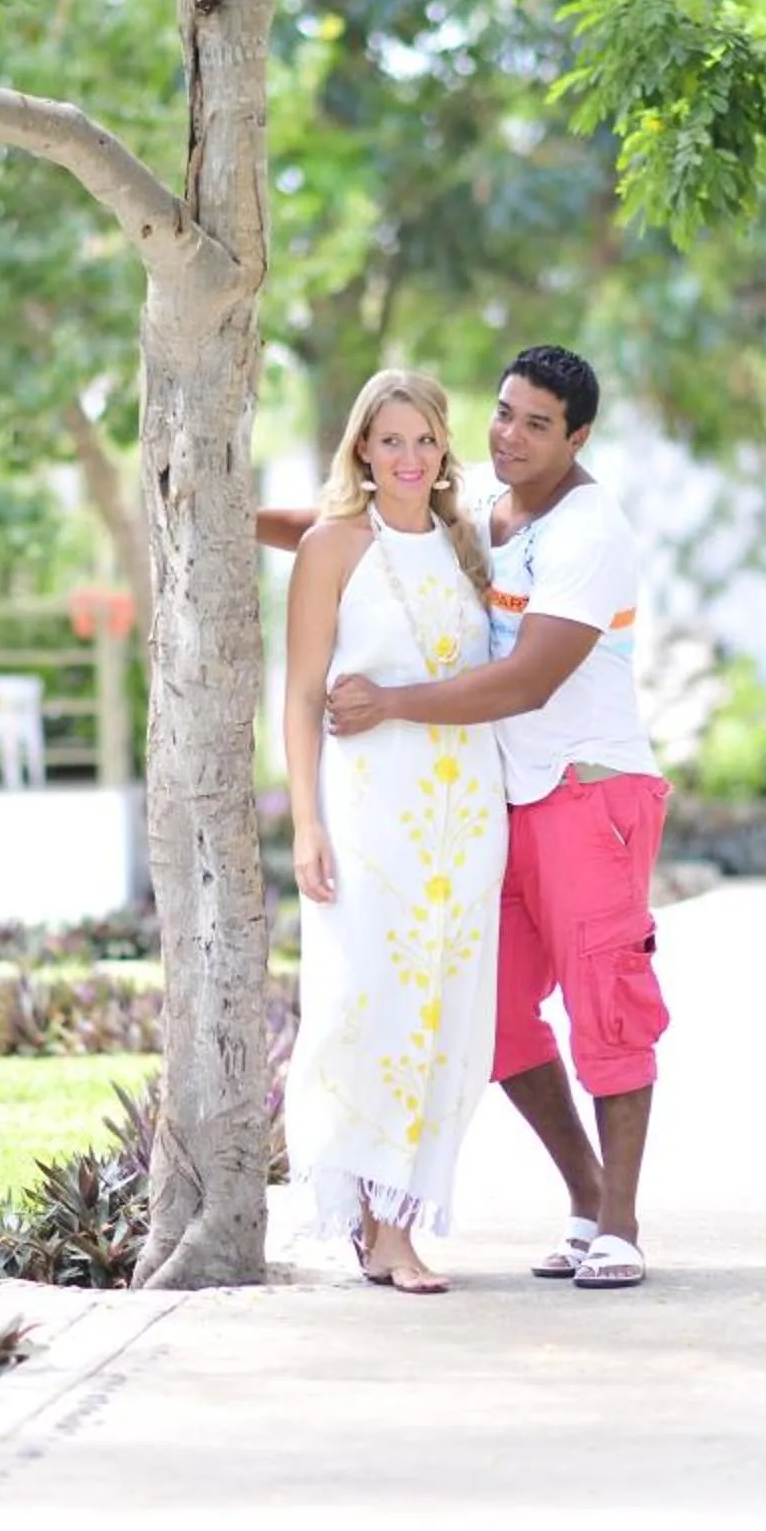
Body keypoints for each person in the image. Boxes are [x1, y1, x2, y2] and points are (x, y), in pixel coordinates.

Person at [283, 345, 670, 1293]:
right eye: (504, 413)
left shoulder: (586, 530)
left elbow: (531, 680)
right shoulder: (484, 521)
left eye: (538, 423)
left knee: (606, 1003)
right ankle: (582, 1197)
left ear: (577, 437)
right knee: (493, 1017)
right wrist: (230, 512)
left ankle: (618, 1223)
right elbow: (373, 530)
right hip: (498, 801)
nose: (513, 434)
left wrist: (392, 702)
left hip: (587, 787)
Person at [277, 370, 507, 1295]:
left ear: (443, 449)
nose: (410, 459)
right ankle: (380, 1229)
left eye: (425, 441)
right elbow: (298, 694)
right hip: (370, 811)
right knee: (372, 1001)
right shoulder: (333, 548)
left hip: (466, 814)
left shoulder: (466, 545)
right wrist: (304, 823)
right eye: (392, 441)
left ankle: (399, 1220)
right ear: (362, 451)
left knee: (450, 1015)